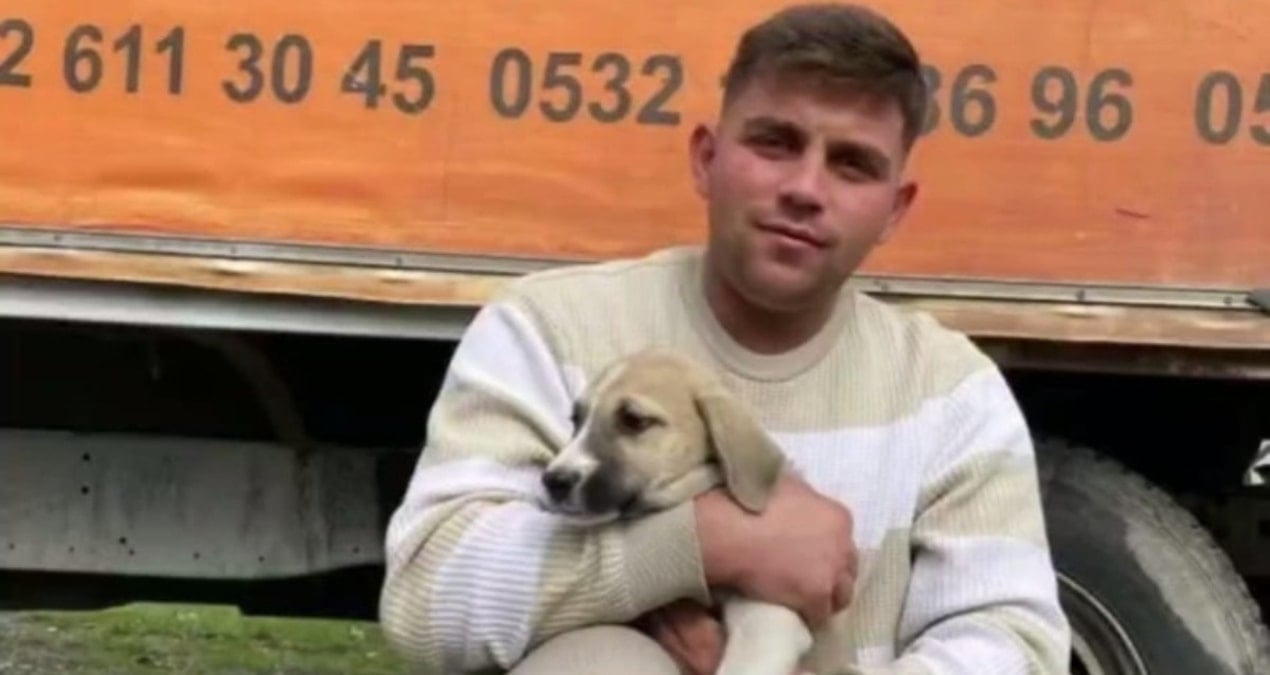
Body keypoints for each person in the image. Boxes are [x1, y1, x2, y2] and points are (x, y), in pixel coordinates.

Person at [378, 3, 1072, 673]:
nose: (805, 188)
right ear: (706, 159)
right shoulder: (549, 328)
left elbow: (1016, 644)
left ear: (895, 209)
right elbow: (425, 601)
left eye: (852, 164)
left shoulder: (951, 393)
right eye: (775, 142)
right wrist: (711, 542)